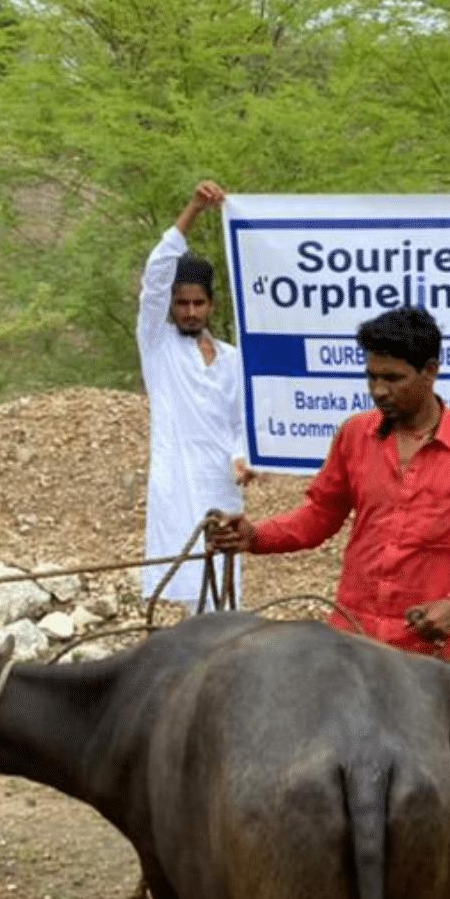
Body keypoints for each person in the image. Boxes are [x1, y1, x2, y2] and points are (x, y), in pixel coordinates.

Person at [209, 304, 450, 660]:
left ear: (430, 371)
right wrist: (255, 536)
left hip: (426, 649)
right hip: (350, 638)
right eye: (372, 377)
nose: (378, 390)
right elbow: (319, 516)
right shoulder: (354, 436)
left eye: (393, 378)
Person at [137, 180, 251, 607]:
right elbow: (155, 275)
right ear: (170, 306)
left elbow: (242, 419)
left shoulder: (231, 358)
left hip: (221, 482)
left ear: (211, 306)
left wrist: (243, 456)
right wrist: (194, 210)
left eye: (197, 303)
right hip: (177, 482)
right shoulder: (157, 346)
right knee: (187, 586)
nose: (189, 311)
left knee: (227, 585)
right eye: (181, 303)